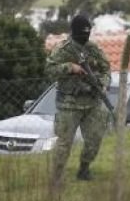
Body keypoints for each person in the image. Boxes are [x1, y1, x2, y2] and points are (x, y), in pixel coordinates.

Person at [46, 14, 111, 185]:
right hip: (69, 104)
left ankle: (84, 168)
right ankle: (56, 178)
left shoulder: (93, 49)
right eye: (82, 33)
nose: (85, 36)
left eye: (87, 32)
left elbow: (106, 69)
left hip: (92, 102)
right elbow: (49, 70)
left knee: (95, 138)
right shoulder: (63, 49)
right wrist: (70, 67)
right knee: (64, 143)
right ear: (74, 32)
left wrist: (103, 84)